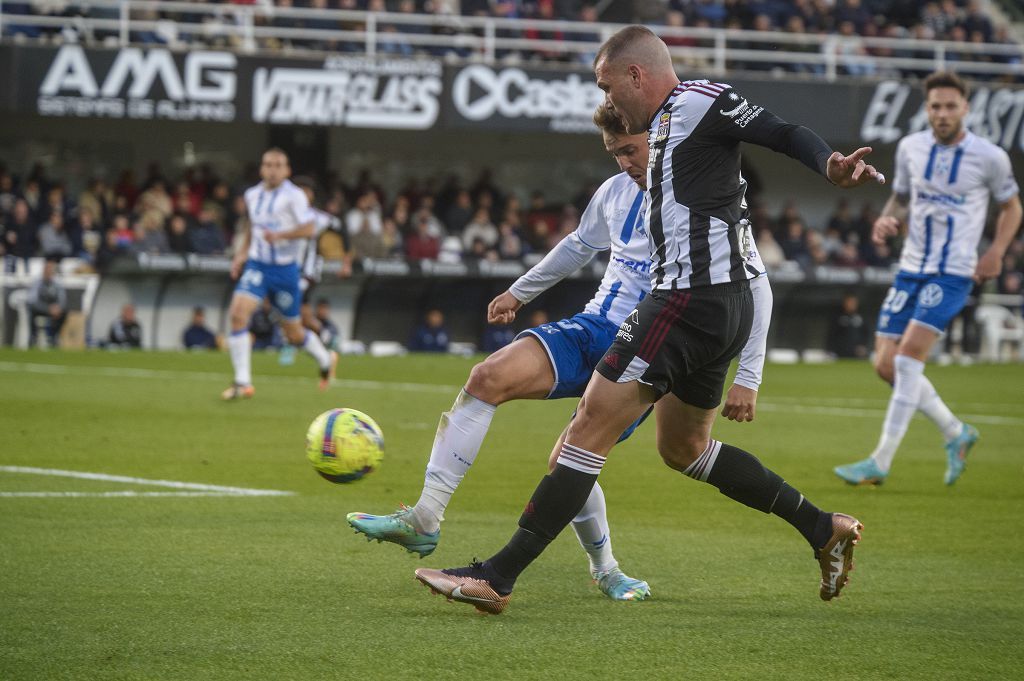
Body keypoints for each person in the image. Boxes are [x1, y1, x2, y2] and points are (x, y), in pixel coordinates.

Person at [412, 25, 881, 614]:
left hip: (685, 303)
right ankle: (821, 527)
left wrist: (829, 164)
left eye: (608, 86)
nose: (608, 100)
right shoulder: (658, 132)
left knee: (585, 433)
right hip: (718, 308)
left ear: (638, 74)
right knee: (685, 449)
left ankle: (497, 577)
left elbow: (781, 132)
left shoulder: (700, 103)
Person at [350, 101, 773, 602]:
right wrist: (518, 293)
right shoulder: (615, 192)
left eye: (631, 150)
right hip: (595, 327)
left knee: (568, 461)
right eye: (615, 153)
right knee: (486, 377)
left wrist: (749, 374)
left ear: (659, 140)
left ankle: (606, 567)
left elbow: (755, 282)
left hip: (649, 347)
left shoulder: (700, 200)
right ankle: (424, 517)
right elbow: (577, 244)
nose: (624, 163)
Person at [834, 72, 1021, 487]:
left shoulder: (989, 157)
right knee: (885, 364)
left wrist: (996, 251)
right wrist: (886, 219)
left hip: (953, 271)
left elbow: (1012, 208)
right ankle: (956, 432)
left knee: (906, 359)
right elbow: (901, 197)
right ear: (927, 109)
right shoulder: (910, 148)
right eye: (935, 106)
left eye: (950, 106)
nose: (942, 114)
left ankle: (879, 461)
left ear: (966, 109)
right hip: (910, 268)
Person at [221, 148, 337, 400]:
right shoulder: (252, 195)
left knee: (294, 333)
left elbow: (309, 228)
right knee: (238, 314)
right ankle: (243, 382)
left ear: (287, 170)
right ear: (261, 168)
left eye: (278, 165)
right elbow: (253, 226)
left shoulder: (294, 196)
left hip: (285, 271)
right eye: (268, 164)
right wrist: (241, 255)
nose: (272, 169)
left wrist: (282, 235)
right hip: (258, 265)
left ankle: (325, 358)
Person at [279, 177, 348, 366]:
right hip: (287, 270)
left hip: (306, 273)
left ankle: (289, 345)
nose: (302, 194)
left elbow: (341, 228)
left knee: (286, 308)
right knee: (305, 316)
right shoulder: (285, 215)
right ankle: (328, 339)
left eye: (306, 191)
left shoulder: (318, 217)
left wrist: (346, 260)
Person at [27, 258, 66, 347]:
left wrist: (58, 308)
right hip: (40, 308)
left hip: (54, 309)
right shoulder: (37, 282)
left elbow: (62, 299)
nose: (48, 272)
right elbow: (32, 300)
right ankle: (33, 337)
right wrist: (48, 308)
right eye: (46, 269)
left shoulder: (57, 284)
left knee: (64, 313)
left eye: (50, 270)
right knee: (31, 309)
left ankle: (53, 337)